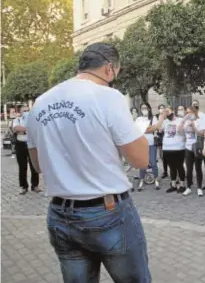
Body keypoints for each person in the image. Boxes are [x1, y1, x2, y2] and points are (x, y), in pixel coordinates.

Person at [26, 42, 151, 281]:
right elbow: (141, 159)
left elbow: (39, 165)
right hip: (107, 213)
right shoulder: (108, 97)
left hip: (60, 214)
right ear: (108, 69)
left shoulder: (41, 102)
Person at [13, 105, 40, 194]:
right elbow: (16, 129)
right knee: (22, 167)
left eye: (27, 110)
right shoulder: (17, 120)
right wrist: (28, 129)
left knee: (34, 166)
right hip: (20, 145)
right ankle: (23, 186)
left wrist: (24, 130)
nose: (26, 112)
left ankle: (35, 185)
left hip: (32, 145)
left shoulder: (33, 120)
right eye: (24, 111)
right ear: (20, 112)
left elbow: (37, 129)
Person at [134, 102, 161, 191]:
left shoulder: (153, 118)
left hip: (151, 144)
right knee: (143, 163)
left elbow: (154, 128)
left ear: (149, 109)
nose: (144, 110)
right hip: (141, 144)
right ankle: (141, 179)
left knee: (153, 162)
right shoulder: (138, 119)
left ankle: (156, 179)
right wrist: (147, 128)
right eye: (142, 108)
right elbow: (137, 130)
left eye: (145, 108)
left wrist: (146, 129)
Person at [178, 106, 203, 196]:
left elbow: (201, 133)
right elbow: (179, 131)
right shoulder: (185, 122)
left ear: (194, 112)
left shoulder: (199, 121)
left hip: (197, 147)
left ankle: (199, 187)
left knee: (198, 168)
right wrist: (183, 120)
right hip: (188, 147)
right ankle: (188, 187)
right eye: (187, 112)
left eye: (190, 112)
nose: (188, 114)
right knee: (189, 169)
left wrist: (194, 126)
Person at [162, 106, 187, 193]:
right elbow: (159, 129)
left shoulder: (180, 120)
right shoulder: (164, 122)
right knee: (171, 167)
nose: (167, 113)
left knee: (179, 166)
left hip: (178, 148)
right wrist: (162, 117)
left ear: (173, 111)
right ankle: (173, 184)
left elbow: (182, 132)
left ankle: (182, 185)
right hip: (167, 148)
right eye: (165, 112)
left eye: (168, 111)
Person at [156, 104, 169, 179]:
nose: (161, 109)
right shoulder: (156, 117)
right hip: (160, 138)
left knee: (167, 156)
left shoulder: (167, 117)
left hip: (167, 137)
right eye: (160, 108)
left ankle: (168, 171)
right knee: (162, 156)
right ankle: (165, 171)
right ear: (158, 109)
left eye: (163, 108)